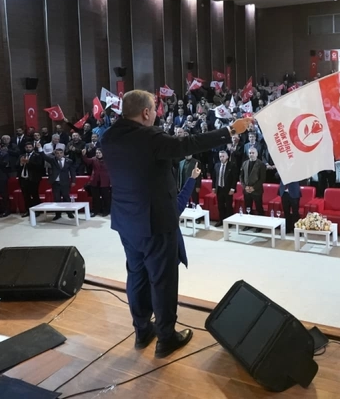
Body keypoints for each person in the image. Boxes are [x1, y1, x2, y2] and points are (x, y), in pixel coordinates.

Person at [101, 89, 251, 359]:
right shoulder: (150, 137)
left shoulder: (109, 136)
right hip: (156, 221)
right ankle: (166, 338)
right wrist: (230, 130)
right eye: (154, 110)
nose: (156, 115)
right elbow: (187, 145)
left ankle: (142, 330)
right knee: (163, 280)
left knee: (136, 276)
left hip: (126, 220)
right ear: (145, 112)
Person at [43, 149, 76, 220]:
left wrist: (73, 181)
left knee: (66, 198)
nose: (59, 154)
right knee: (56, 199)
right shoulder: (53, 160)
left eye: (60, 153)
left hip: (65, 182)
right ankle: (58, 214)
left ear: (63, 153)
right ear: (55, 154)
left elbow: (72, 172)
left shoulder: (69, 161)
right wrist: (40, 148)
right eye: (57, 153)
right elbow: (44, 157)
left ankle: (69, 213)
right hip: (55, 183)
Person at [82, 148, 111, 216]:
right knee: (95, 198)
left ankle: (106, 211)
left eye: (99, 153)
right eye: (97, 153)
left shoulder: (108, 160)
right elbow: (87, 161)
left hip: (105, 181)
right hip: (95, 181)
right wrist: (84, 155)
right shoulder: (94, 159)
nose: (98, 154)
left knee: (105, 198)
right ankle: (95, 211)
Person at [18, 142, 44, 217]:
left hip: (33, 179)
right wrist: (21, 164)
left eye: (30, 147)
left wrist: (28, 162)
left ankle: (38, 210)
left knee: (35, 195)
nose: (28, 148)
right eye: (27, 147)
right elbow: (16, 166)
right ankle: (28, 210)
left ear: (33, 147)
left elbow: (39, 166)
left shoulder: (37, 155)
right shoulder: (22, 155)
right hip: (23, 179)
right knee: (26, 196)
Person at [213, 150, 238, 225]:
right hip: (219, 188)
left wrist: (232, 188)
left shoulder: (232, 165)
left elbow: (234, 178)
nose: (221, 158)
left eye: (223, 156)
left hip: (228, 189)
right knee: (220, 206)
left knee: (228, 206)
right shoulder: (217, 165)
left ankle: (229, 222)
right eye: (220, 156)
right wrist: (213, 187)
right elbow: (214, 177)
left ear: (227, 157)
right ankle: (221, 220)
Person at [240, 147, 266, 216]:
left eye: (253, 153)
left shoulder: (261, 164)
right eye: (250, 153)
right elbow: (241, 176)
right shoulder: (244, 163)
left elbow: (262, 179)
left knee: (259, 208)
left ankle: (260, 222)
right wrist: (245, 187)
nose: (251, 154)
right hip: (246, 191)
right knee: (248, 209)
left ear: (256, 154)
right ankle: (248, 222)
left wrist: (253, 188)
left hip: (257, 191)